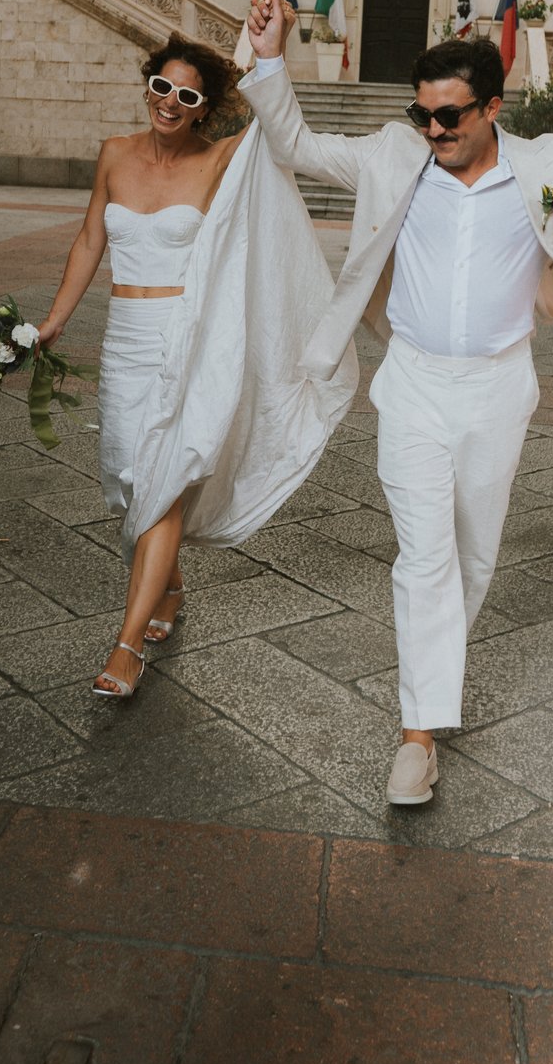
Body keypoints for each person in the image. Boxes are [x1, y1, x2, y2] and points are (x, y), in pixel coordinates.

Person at [240, 0, 553, 805]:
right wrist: (268, 55)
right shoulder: (393, 158)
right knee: (424, 557)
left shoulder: (551, 167)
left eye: (450, 115)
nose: (434, 130)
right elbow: (295, 143)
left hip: (500, 386)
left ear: (493, 107)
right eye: (422, 114)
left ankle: (431, 681)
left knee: (473, 556)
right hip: (414, 383)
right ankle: (417, 736)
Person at [33, 36, 355, 697]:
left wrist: (271, 50)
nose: (170, 102)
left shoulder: (218, 159)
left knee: (166, 478)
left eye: (187, 95)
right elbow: (91, 238)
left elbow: (275, 129)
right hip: (125, 339)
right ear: (148, 84)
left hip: (186, 341)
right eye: (162, 86)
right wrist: (56, 318)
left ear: (204, 107)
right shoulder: (114, 153)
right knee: (128, 483)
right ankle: (171, 585)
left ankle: (125, 646)